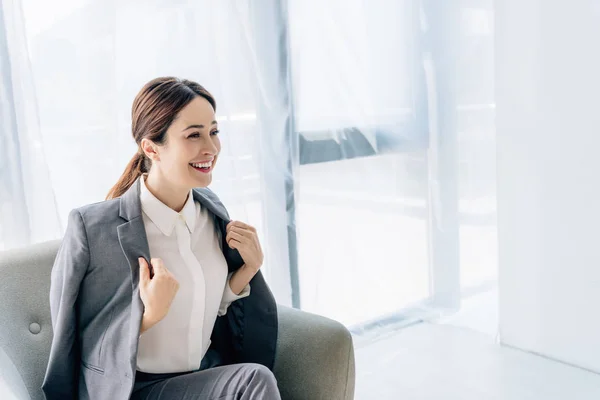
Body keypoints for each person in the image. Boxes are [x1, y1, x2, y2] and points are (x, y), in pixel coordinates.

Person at [41, 77, 281, 400]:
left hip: (202, 378)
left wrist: (247, 270)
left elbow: (209, 311)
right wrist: (147, 316)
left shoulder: (213, 211)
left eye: (214, 131)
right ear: (151, 147)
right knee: (254, 381)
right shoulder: (93, 229)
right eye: (193, 135)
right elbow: (76, 341)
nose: (210, 148)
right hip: (134, 389)